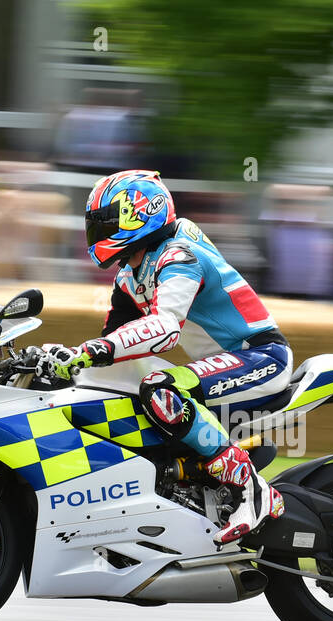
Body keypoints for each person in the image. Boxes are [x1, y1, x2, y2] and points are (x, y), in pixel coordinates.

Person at [40, 169, 287, 543]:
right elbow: (113, 342)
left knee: (159, 387)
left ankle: (251, 489)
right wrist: (69, 364)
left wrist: (90, 353)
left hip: (261, 356)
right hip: (219, 366)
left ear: (138, 214)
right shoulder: (129, 274)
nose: (95, 232)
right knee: (117, 388)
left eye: (103, 223)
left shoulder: (179, 256)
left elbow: (165, 327)